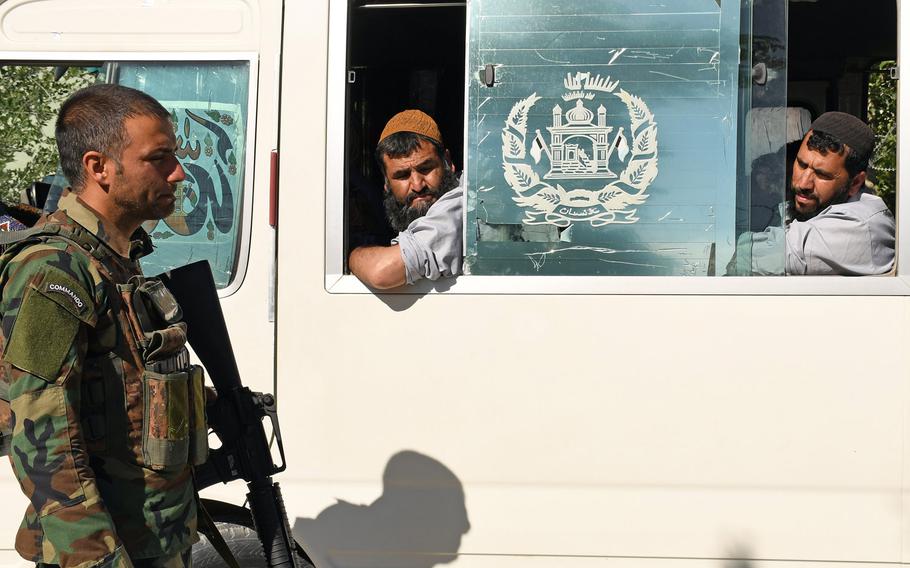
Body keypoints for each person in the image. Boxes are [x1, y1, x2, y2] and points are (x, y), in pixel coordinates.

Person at [0, 84, 207, 567]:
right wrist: (96, 557)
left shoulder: (114, 257)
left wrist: (202, 405)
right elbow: (41, 428)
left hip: (154, 532)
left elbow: (121, 390)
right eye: (159, 158)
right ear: (99, 168)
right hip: (108, 547)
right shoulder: (55, 268)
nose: (177, 172)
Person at [730, 111, 895, 275]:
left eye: (822, 175)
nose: (803, 183)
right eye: (801, 165)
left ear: (855, 182)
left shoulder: (861, 225)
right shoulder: (811, 205)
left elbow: (752, 256)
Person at [348, 110, 463, 288]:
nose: (417, 185)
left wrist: (350, 253)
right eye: (402, 175)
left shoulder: (459, 203)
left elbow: (382, 271)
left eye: (425, 168)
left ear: (447, 162)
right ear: (386, 181)